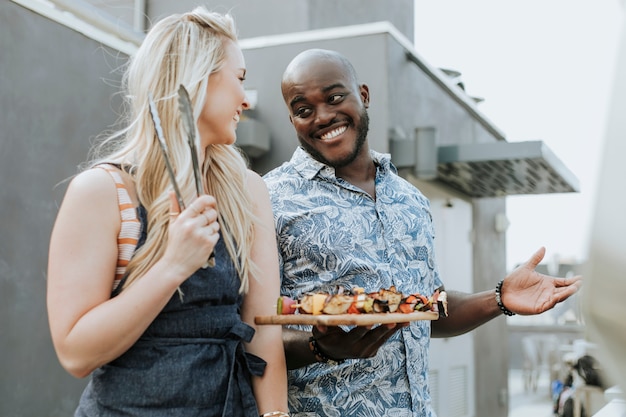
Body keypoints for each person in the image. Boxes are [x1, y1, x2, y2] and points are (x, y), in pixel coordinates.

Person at [262, 48, 583, 416]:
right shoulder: (269, 199)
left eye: (335, 97)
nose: (322, 116)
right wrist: (320, 349)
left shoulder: (409, 198)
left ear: (363, 95)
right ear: (292, 120)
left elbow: (428, 307)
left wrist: (498, 298)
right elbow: (252, 335)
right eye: (304, 110)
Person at [47, 7, 288, 417]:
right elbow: (75, 353)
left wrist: (277, 415)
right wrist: (173, 265)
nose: (246, 100)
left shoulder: (248, 191)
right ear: (197, 79)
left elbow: (263, 330)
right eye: (240, 78)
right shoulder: (103, 191)